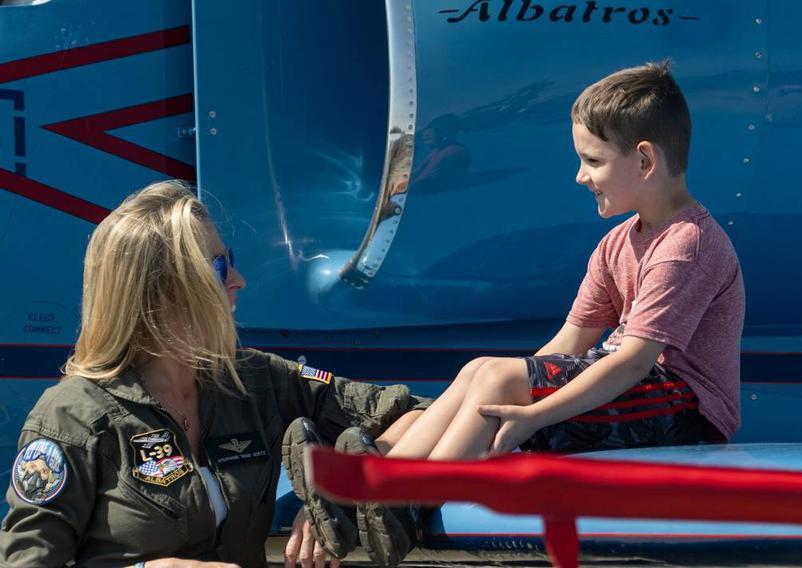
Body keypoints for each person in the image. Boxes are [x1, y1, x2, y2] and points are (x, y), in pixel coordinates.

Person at [342, 61, 746, 567]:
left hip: (682, 410)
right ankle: (375, 478)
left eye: (592, 161)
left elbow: (634, 363)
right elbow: (567, 345)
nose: (580, 176)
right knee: (482, 370)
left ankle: (407, 505)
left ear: (644, 160)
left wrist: (533, 412)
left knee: (500, 379)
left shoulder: (686, 244)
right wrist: (506, 386)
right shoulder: (617, 243)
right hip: (629, 392)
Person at [0, 180, 429, 568]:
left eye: (230, 261)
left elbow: (414, 413)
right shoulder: (72, 418)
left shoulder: (253, 381)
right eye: (218, 268)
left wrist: (343, 489)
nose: (239, 280)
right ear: (161, 290)